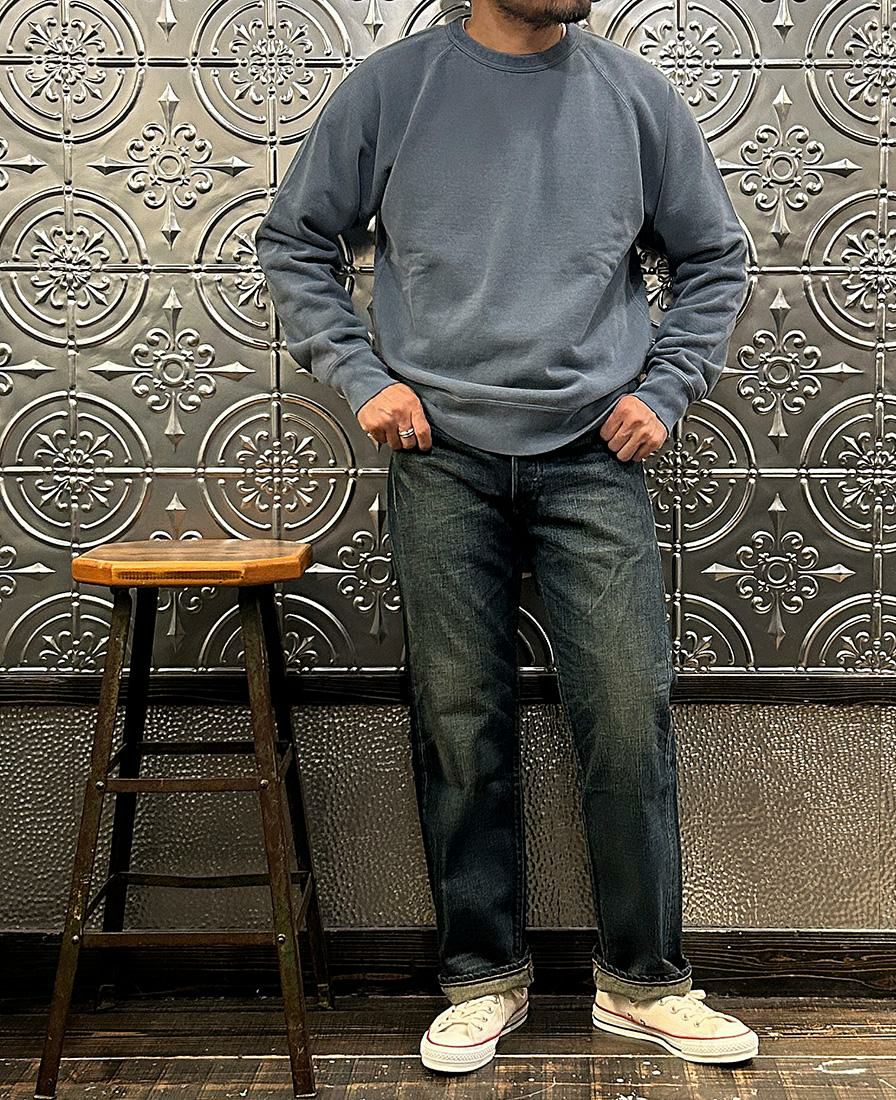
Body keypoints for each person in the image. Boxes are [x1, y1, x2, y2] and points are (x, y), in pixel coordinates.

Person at [255, 0, 756, 1076]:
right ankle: (482, 975)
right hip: (438, 451)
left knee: (626, 713)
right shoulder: (392, 90)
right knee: (458, 718)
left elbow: (716, 256)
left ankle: (645, 982)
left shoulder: (635, 97)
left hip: (595, 453)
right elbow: (294, 241)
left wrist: (666, 388)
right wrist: (362, 376)